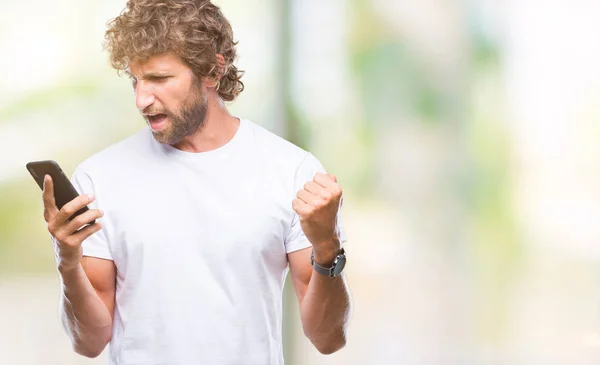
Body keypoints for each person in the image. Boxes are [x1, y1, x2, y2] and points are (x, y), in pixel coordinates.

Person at [40, 1, 351, 364]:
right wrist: (68, 262)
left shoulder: (291, 170)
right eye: (135, 80)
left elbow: (328, 339)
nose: (142, 99)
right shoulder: (99, 178)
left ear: (212, 71)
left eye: (159, 79)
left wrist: (327, 246)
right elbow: (89, 343)